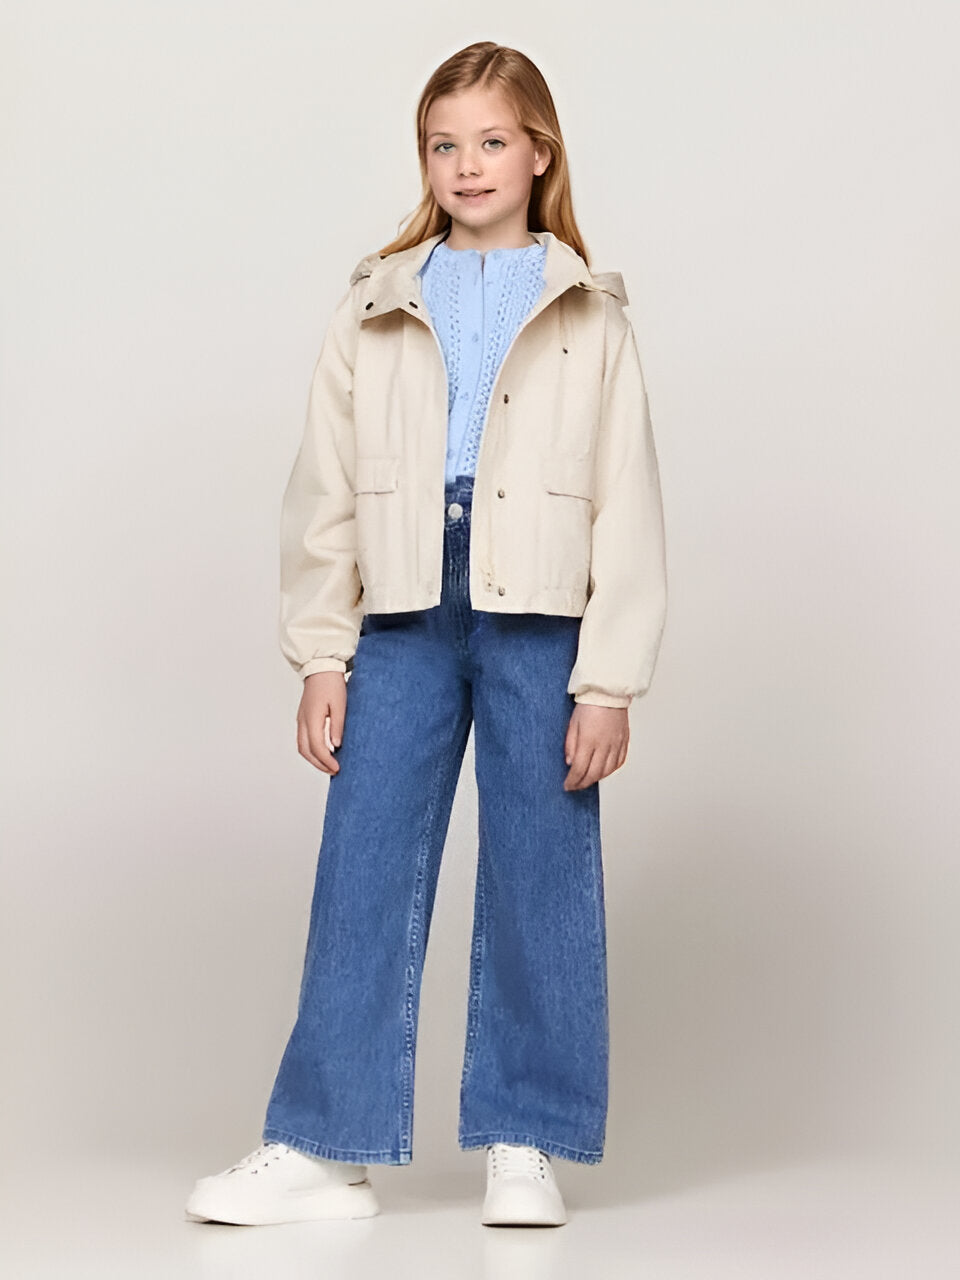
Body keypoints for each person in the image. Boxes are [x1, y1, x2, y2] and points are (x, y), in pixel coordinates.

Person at [186, 39, 667, 1230]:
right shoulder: (375, 302)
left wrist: (608, 678)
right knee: (363, 858)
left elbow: (628, 500)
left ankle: (526, 1136)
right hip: (403, 603)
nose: (467, 164)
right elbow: (324, 487)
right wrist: (322, 653)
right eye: (444, 144)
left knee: (541, 866)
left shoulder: (590, 312)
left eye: (492, 140)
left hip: (541, 611)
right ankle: (324, 1142)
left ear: (539, 151)